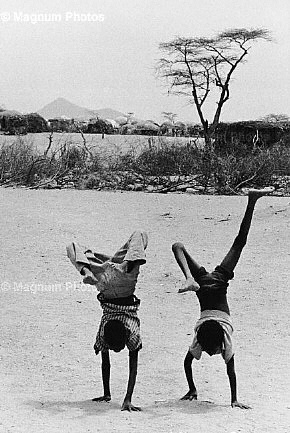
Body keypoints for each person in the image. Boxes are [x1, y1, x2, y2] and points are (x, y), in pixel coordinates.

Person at [171, 187, 274, 409]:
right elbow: (224, 370)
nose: (209, 354)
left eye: (209, 352)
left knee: (239, 242)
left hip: (217, 282)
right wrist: (233, 400)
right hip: (204, 287)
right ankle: (189, 278)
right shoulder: (202, 336)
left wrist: (194, 388)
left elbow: (197, 364)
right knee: (178, 246)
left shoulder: (219, 340)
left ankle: (252, 201)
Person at [66, 230, 148, 412]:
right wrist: (126, 399)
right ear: (125, 335)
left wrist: (108, 394)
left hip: (107, 279)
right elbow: (131, 368)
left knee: (73, 247)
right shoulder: (124, 333)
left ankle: (90, 270)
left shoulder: (109, 334)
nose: (117, 351)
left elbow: (106, 363)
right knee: (140, 234)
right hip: (112, 279)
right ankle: (124, 262)